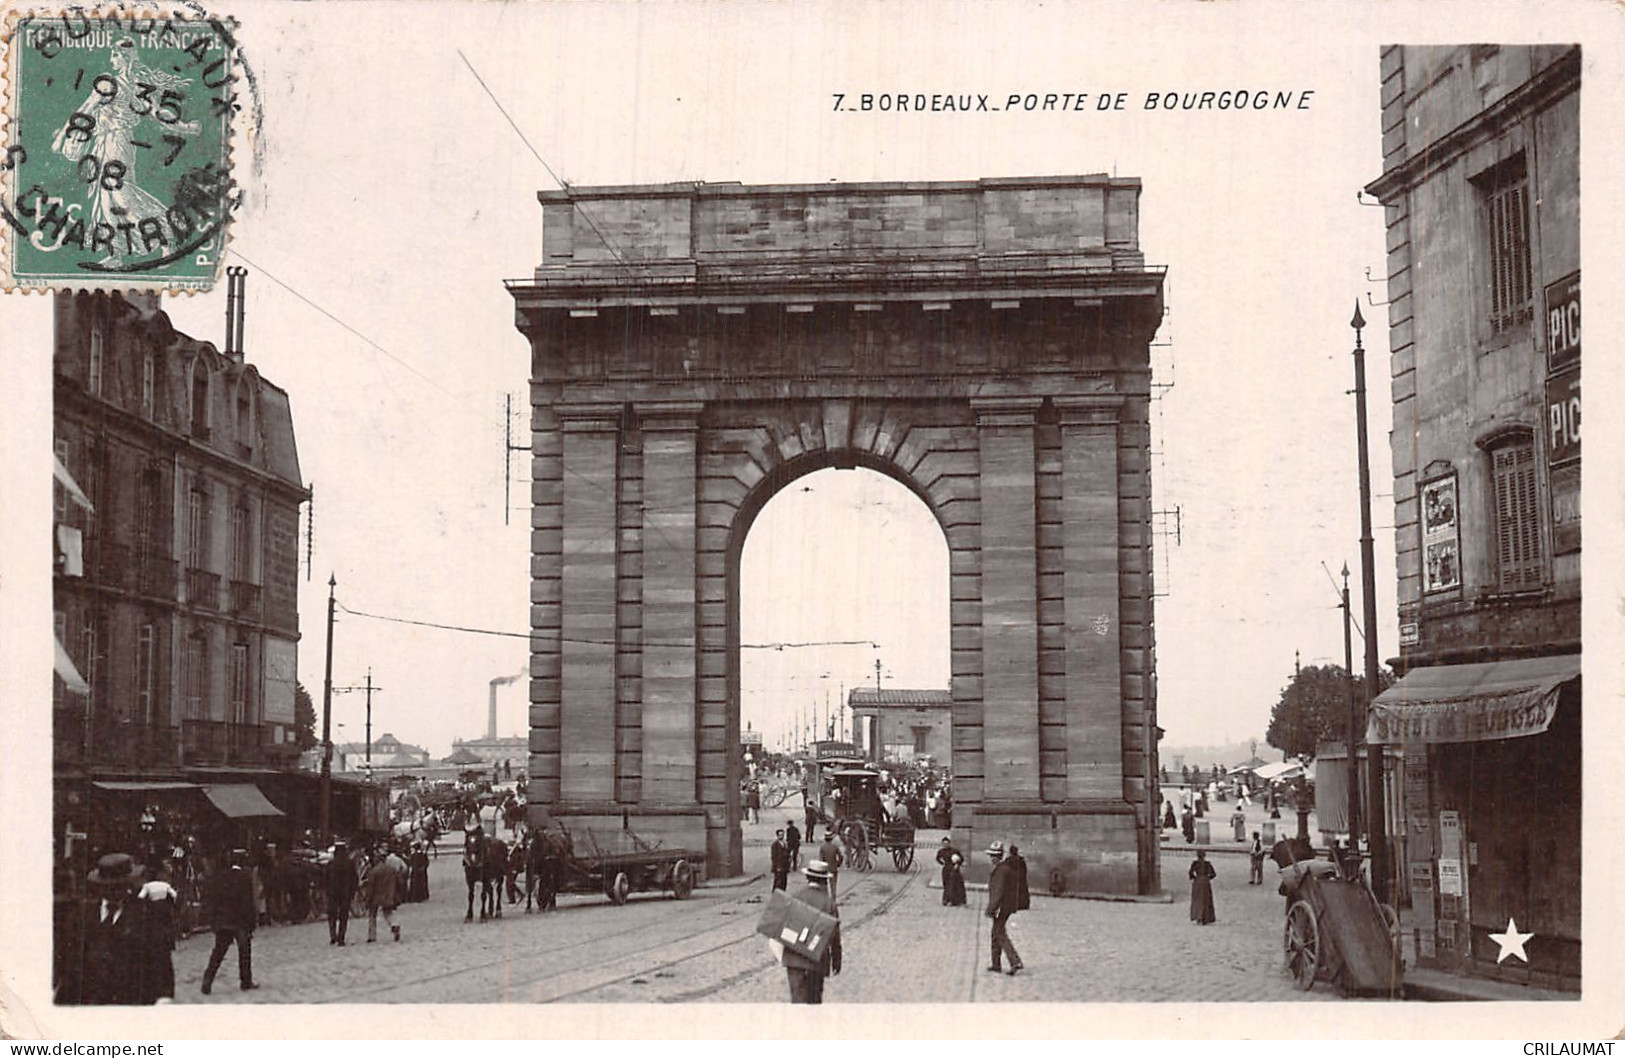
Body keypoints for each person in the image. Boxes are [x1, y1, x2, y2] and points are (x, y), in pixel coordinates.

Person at [59, 852, 169, 1004]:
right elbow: (70, 965)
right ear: (100, 887)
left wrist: (163, 998)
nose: (115, 891)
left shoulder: (145, 915)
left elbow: (161, 961)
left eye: (120, 886)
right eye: (109, 887)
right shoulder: (82, 916)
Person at [781, 860, 842, 1004]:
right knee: (814, 1001)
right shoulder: (829, 903)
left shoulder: (795, 897)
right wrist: (836, 959)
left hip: (794, 959)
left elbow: (784, 927)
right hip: (817, 959)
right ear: (824, 881)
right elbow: (834, 935)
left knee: (797, 1000)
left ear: (808, 878)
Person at [201, 849, 257, 995]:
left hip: (223, 920)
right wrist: (252, 922)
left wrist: (214, 920)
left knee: (218, 952)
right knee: (244, 952)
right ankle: (245, 981)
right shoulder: (245, 877)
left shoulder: (220, 877)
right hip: (240, 921)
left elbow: (214, 900)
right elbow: (248, 902)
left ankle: (207, 980)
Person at [985, 841, 1024, 975]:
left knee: (999, 933)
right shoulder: (1005, 868)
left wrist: (991, 908)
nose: (991, 858)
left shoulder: (1001, 871)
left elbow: (998, 891)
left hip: (1000, 907)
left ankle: (1015, 961)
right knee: (995, 933)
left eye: (992, 856)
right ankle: (996, 964)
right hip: (1005, 906)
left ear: (997, 857)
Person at [362, 846, 406, 943]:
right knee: (388, 913)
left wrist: (367, 898)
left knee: (372, 915)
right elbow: (400, 882)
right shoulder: (392, 870)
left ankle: (372, 936)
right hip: (389, 895)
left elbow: (371, 887)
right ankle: (394, 925)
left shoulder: (374, 871)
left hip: (376, 896)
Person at [326, 841, 357, 945]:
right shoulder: (349, 863)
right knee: (343, 916)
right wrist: (352, 892)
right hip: (345, 893)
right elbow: (354, 879)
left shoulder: (331, 864)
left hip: (332, 892)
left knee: (332, 915)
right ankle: (341, 937)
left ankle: (333, 935)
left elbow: (324, 879)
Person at [936, 837, 966, 907]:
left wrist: (957, 864)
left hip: (954, 869)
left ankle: (955, 901)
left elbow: (961, 858)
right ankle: (946, 899)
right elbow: (937, 858)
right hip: (946, 869)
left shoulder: (954, 851)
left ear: (949, 843)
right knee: (946, 884)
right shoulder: (941, 851)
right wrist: (942, 863)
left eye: (947, 843)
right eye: (944, 844)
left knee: (954, 884)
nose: (945, 845)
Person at [1189, 849, 1217, 925]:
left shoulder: (1195, 864)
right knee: (1206, 900)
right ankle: (1206, 917)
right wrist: (1207, 878)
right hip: (1205, 882)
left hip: (1197, 882)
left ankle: (1198, 916)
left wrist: (1195, 878)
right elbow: (1214, 874)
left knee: (1197, 900)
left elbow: (1190, 873)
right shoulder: (1207, 864)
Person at [817, 830, 844, 902]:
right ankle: (833, 901)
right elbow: (841, 857)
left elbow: (820, 859)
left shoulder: (822, 847)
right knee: (833, 886)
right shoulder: (834, 847)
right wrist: (838, 864)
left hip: (825, 869)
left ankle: (825, 900)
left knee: (824, 886)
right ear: (831, 839)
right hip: (833, 869)